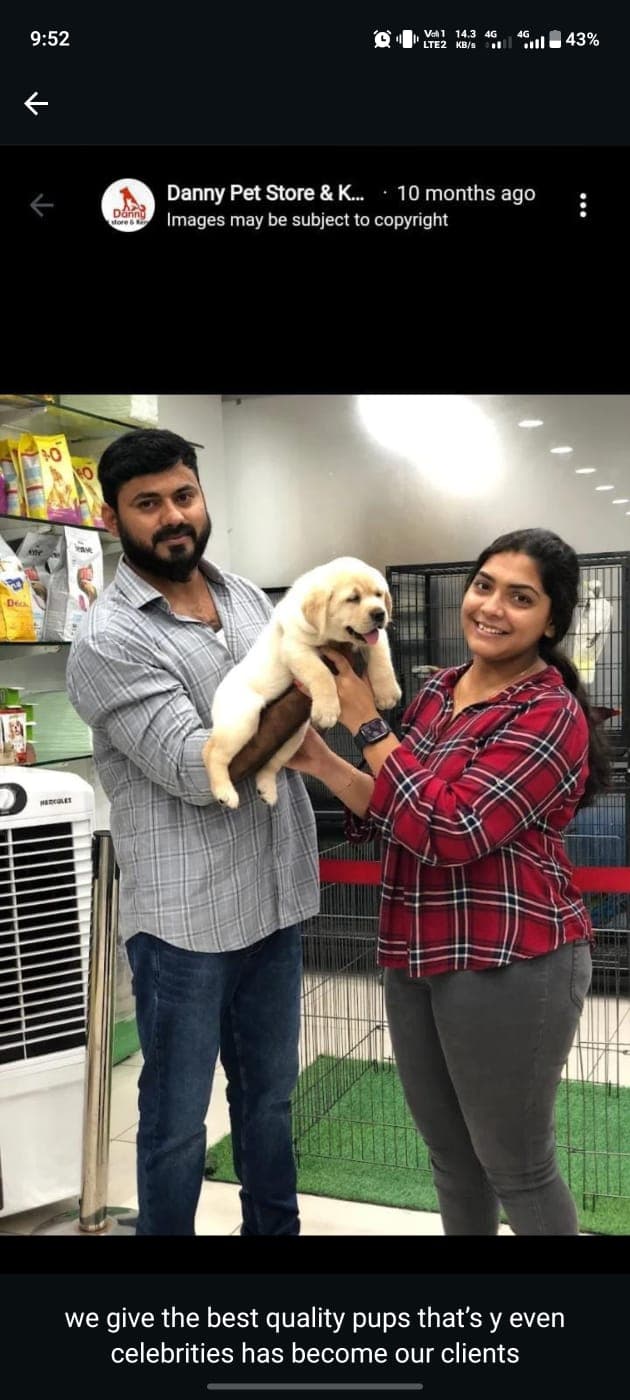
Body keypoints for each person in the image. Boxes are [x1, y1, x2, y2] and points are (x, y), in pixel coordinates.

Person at [286, 528, 609, 1235]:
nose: (491, 607)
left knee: (517, 1167)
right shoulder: (436, 689)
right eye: (484, 586)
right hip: (414, 948)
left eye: (520, 598)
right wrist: (321, 762)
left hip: (510, 957)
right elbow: (397, 810)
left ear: (550, 622)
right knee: (452, 1162)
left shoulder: (549, 713)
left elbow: (452, 829)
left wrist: (367, 722)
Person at [66, 428, 319, 1236]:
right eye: (148, 504)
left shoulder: (242, 595)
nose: (173, 516)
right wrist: (312, 687)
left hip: (274, 899)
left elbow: (289, 719)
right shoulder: (109, 639)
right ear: (114, 520)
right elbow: (195, 769)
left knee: (270, 1099)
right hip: (185, 924)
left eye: (184, 495)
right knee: (177, 1121)